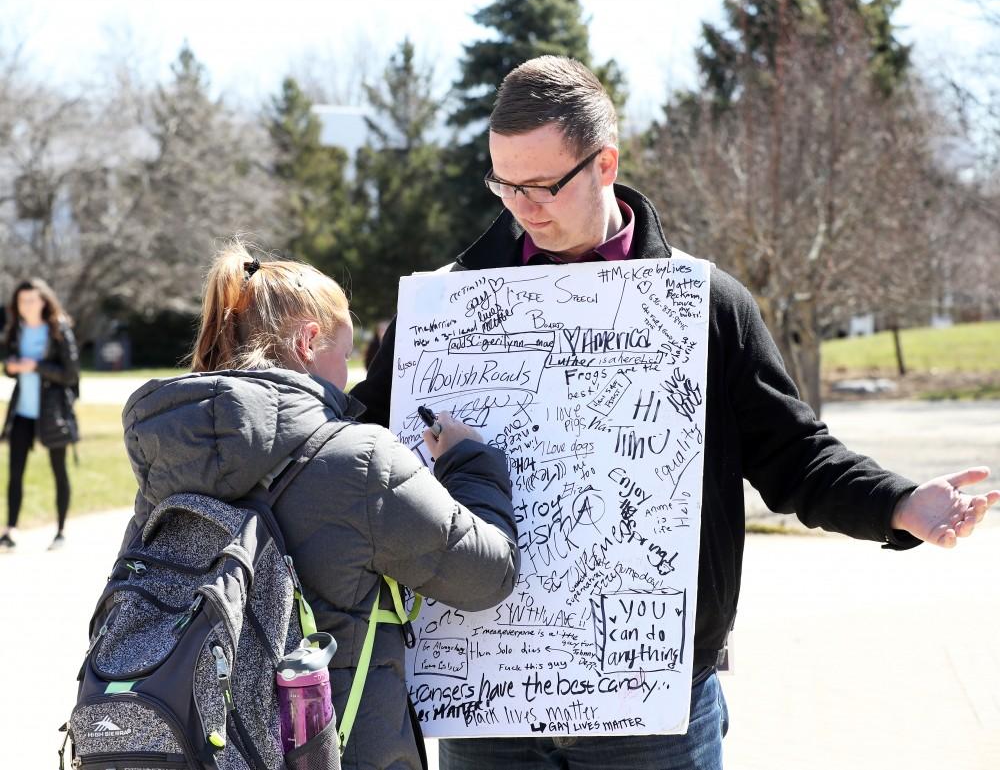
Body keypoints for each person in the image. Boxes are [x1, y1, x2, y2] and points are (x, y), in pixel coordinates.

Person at [350, 55, 1000, 770]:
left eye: (542, 184)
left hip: (654, 707)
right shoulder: (442, 309)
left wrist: (901, 503)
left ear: (605, 164)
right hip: (486, 701)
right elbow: (355, 454)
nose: (521, 205)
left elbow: (796, 456)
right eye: (504, 182)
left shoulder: (706, 306)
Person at [115, 243, 520, 770]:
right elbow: (486, 575)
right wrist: (468, 462)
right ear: (309, 341)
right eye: (345, 355)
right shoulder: (358, 459)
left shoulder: (170, 456)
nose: (348, 376)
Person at [1, 278, 80, 552]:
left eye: (32, 299)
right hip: (22, 411)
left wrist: (35, 365)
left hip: (52, 411)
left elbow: (70, 374)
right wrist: (11, 367)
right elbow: (8, 362)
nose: (27, 305)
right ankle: (9, 530)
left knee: (59, 470)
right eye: (22, 300)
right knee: (15, 473)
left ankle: (61, 530)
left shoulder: (58, 329)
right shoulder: (16, 329)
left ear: (44, 300)